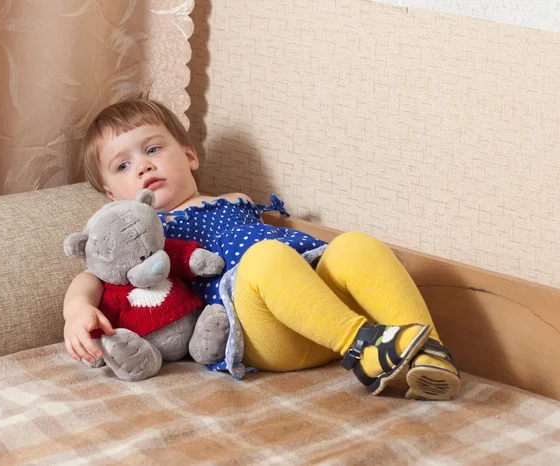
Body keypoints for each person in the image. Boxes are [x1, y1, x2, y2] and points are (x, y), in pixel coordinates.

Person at [63, 91, 461, 400]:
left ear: (188, 156)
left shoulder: (232, 199)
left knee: (356, 245)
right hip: (262, 333)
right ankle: (364, 346)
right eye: (123, 166)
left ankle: (430, 354)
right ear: (113, 198)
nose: (144, 166)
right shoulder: (146, 235)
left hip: (318, 309)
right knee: (264, 259)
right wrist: (78, 310)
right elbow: (91, 277)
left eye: (152, 150)